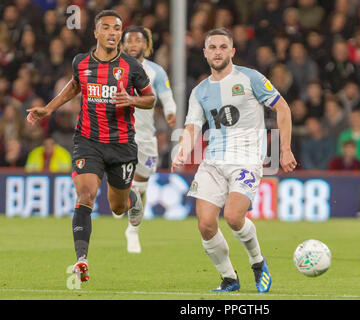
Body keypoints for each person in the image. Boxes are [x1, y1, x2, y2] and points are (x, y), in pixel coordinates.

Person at [25, 10, 155, 283]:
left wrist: (131, 101)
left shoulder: (131, 66)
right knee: (85, 195)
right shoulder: (81, 62)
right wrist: (48, 109)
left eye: (117, 29)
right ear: (95, 33)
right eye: (106, 28)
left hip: (121, 145)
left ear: (121, 34)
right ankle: (81, 259)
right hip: (88, 141)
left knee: (118, 208)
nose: (112, 33)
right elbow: (75, 86)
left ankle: (131, 198)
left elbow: (150, 99)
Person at [172, 28, 296, 293]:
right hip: (213, 162)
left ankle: (257, 261)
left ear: (232, 51)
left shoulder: (251, 78)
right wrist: (181, 151)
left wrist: (285, 149)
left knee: (233, 216)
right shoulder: (199, 91)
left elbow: (282, 107)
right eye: (212, 47)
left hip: (246, 159)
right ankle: (229, 278)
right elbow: (192, 126)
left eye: (223, 47)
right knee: (205, 223)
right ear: (205, 53)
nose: (218, 52)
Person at [121, 25, 177, 253]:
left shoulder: (155, 71)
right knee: (124, 181)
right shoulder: (115, 68)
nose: (133, 45)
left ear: (146, 44)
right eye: (129, 41)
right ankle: (122, 207)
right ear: (123, 44)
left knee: (140, 188)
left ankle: (132, 229)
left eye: (138, 41)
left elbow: (167, 96)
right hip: (119, 133)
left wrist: (171, 112)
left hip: (146, 137)